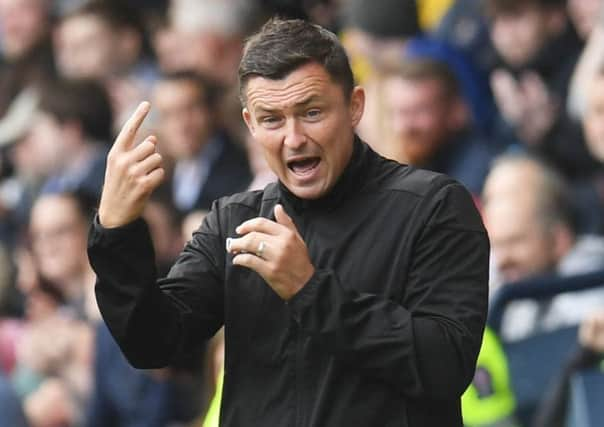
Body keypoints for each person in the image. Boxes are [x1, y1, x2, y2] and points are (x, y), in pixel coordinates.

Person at [88, 18, 489, 426]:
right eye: (272, 119)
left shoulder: (433, 206)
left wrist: (308, 289)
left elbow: (446, 366)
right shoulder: (234, 220)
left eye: (311, 112)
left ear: (354, 107)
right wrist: (117, 230)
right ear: (250, 125)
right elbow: (153, 344)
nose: (293, 138)